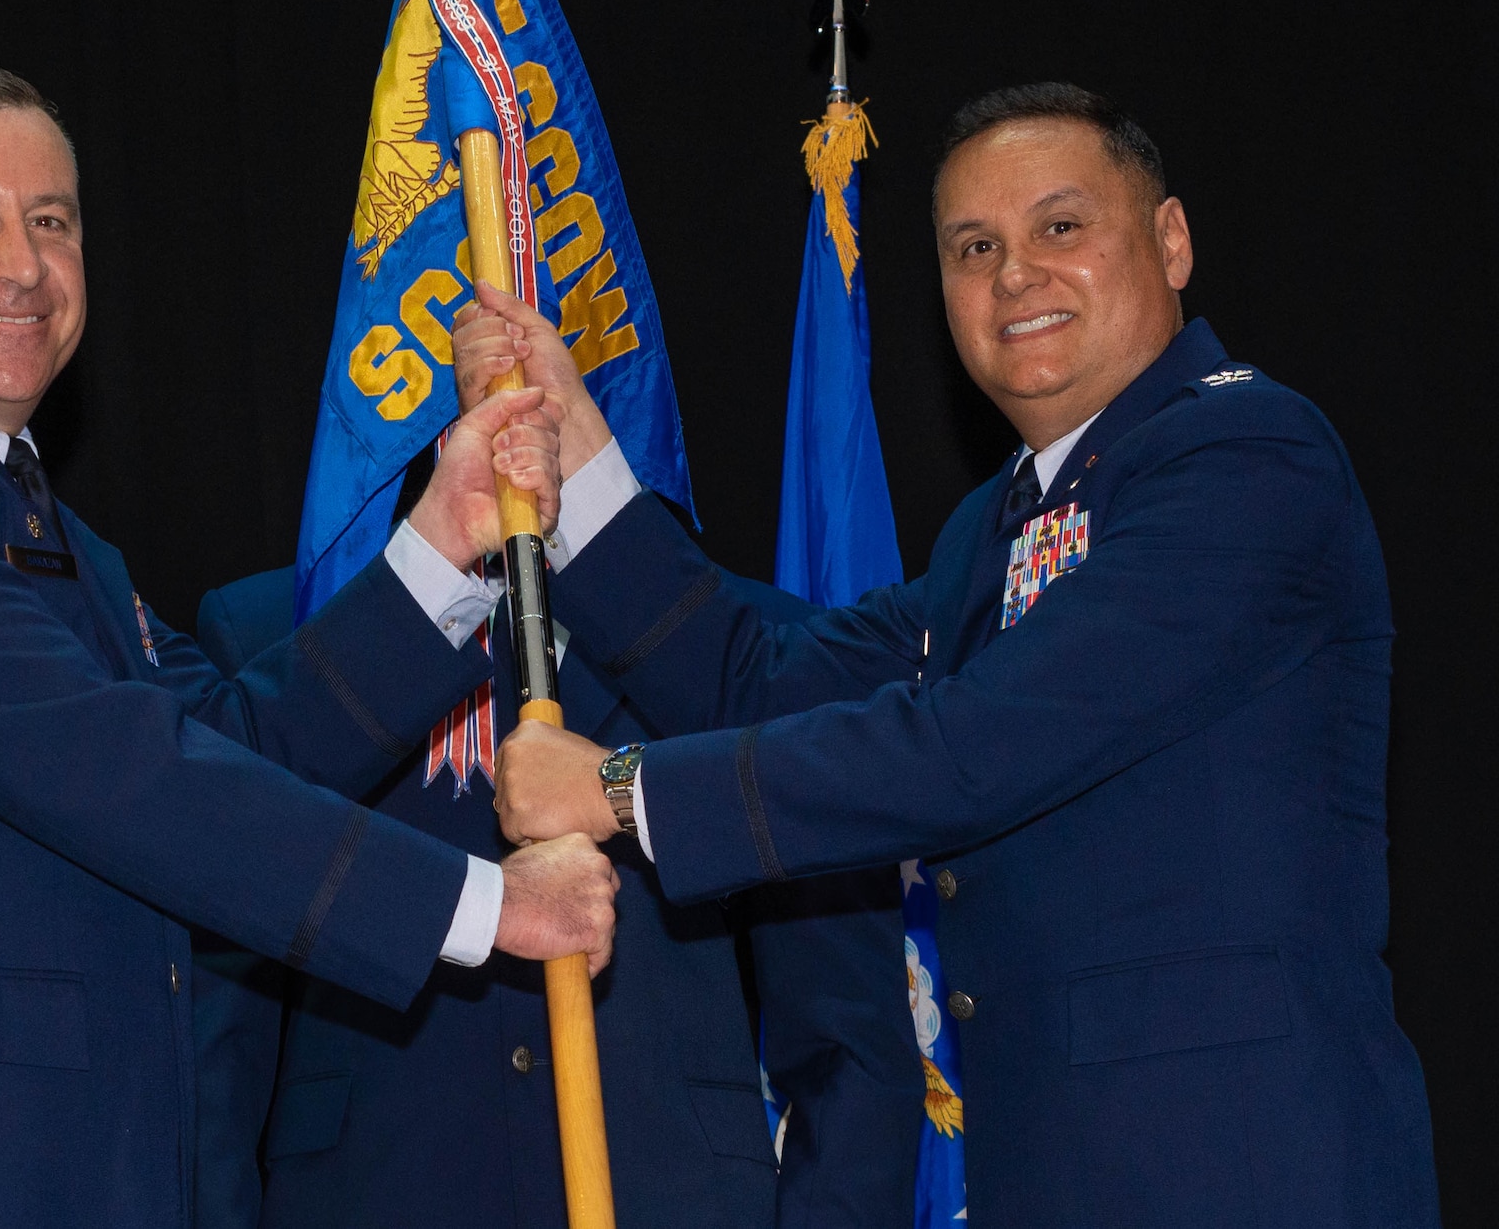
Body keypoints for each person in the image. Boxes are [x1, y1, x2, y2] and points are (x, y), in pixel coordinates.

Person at [463, 83, 1441, 1226]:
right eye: (973, 246)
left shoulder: (1244, 453)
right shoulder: (994, 526)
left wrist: (618, 789)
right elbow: (766, 679)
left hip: (1244, 1170)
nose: (1014, 272)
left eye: (1058, 227)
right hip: (1049, 1172)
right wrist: (576, 454)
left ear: (1169, 242)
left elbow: (976, 744)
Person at [0, 65, 619, 1228]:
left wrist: (444, 537)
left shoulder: (50, 534)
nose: (20, 264)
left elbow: (231, 745)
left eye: (51, 222)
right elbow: (125, 770)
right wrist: (484, 906)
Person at [189, 534, 922, 1227]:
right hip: (375, 1193)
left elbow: (848, 1048)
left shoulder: (757, 645)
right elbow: (216, 1051)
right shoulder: (276, 630)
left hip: (674, 1196)